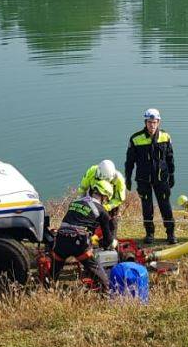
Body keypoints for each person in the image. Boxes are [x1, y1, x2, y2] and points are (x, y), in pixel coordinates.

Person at [49, 180, 116, 292]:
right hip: (79, 242)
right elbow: (108, 240)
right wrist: (100, 243)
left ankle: (46, 290)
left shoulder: (75, 202)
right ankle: (106, 296)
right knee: (101, 276)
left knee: (53, 272)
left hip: (60, 240)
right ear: (104, 197)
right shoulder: (102, 211)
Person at [125, 108, 176, 245]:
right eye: (149, 122)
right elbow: (129, 161)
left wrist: (171, 174)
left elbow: (170, 158)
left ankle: (171, 234)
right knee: (147, 208)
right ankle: (150, 234)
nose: (152, 125)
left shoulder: (165, 137)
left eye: (154, 122)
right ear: (145, 122)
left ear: (158, 122)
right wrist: (128, 178)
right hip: (143, 179)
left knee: (166, 206)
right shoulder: (136, 139)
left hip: (162, 178)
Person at [78, 159, 126, 233]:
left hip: (111, 202)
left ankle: (110, 240)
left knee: (111, 224)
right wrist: (81, 203)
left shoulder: (119, 180)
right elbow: (83, 189)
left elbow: (119, 199)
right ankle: (90, 239)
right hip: (93, 198)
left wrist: (107, 207)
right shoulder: (91, 172)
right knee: (91, 222)